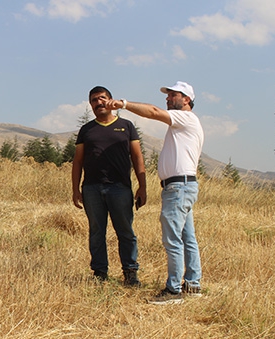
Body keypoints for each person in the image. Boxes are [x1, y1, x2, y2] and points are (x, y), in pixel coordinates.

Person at [104, 81, 204, 304]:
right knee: (187, 237)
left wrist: (124, 104)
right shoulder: (185, 123)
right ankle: (193, 284)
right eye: (167, 95)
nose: (168, 99)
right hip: (182, 186)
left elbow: (153, 112)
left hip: (178, 188)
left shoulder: (185, 118)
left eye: (173, 95)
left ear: (186, 99)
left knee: (172, 239)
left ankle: (174, 289)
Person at [72, 86, 147, 287]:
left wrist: (142, 186)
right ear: (90, 105)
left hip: (120, 188)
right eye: (94, 100)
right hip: (92, 189)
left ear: (111, 101)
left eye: (102, 98)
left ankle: (130, 273)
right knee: (97, 232)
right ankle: (99, 273)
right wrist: (75, 189)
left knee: (125, 232)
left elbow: (137, 156)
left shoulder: (126, 126)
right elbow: (77, 161)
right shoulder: (86, 130)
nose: (99, 102)